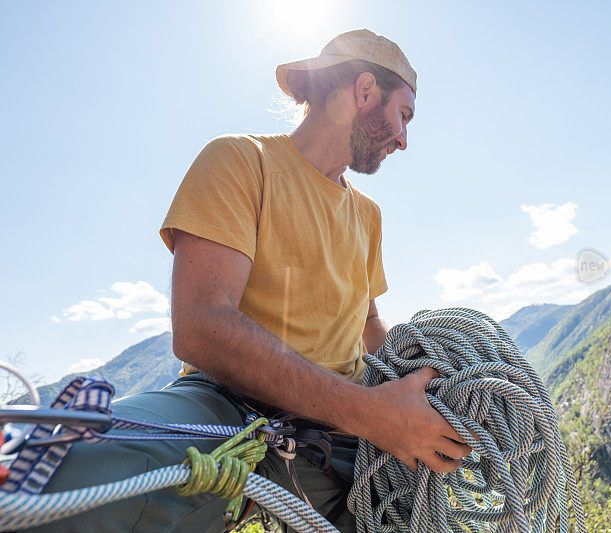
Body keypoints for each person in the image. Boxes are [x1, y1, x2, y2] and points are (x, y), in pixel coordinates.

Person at [31, 29, 471, 532]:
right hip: (227, 403)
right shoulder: (242, 161)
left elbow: (366, 321)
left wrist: (426, 385)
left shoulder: (367, 215)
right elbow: (201, 325)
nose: (404, 139)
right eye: (404, 115)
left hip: (342, 435)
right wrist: (372, 415)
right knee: (73, 471)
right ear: (365, 92)